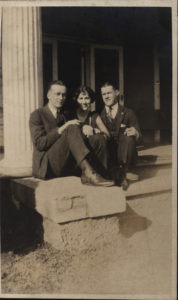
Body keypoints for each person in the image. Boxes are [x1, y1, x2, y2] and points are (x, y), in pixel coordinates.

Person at [29, 80, 114, 187]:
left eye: (63, 95)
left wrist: (88, 129)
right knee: (71, 127)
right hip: (46, 167)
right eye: (58, 94)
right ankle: (89, 173)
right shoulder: (37, 114)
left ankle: (101, 174)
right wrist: (64, 127)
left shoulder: (63, 116)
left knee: (98, 138)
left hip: (64, 164)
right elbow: (40, 144)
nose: (61, 98)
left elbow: (74, 141)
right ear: (48, 95)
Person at [100, 81, 141, 189]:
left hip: (125, 154)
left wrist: (135, 133)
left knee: (128, 137)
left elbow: (140, 137)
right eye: (104, 94)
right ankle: (120, 176)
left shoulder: (128, 112)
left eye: (109, 93)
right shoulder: (98, 114)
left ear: (117, 92)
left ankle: (124, 172)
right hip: (109, 155)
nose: (106, 96)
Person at [72, 85, 110, 172]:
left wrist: (96, 132)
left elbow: (107, 135)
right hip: (76, 155)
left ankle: (101, 172)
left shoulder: (94, 116)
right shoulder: (70, 115)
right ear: (76, 100)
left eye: (87, 98)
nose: (84, 101)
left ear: (91, 99)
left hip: (92, 153)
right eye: (80, 98)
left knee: (99, 138)